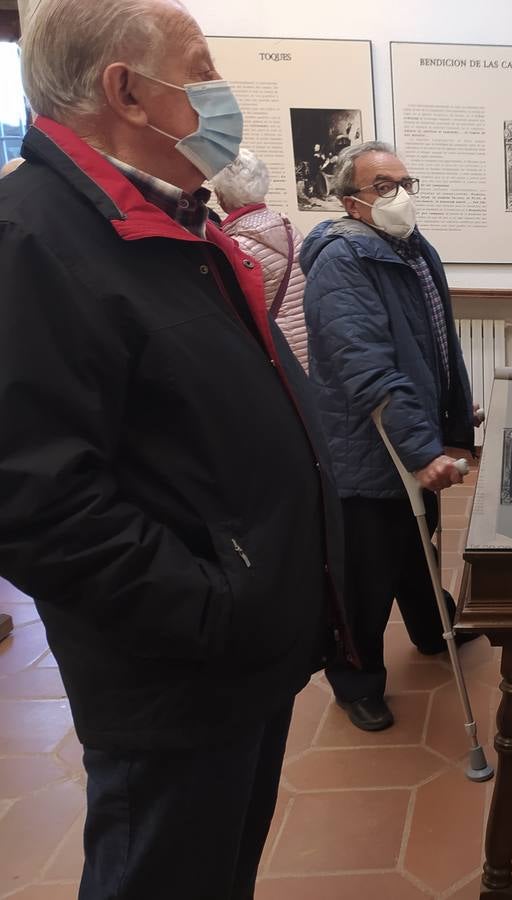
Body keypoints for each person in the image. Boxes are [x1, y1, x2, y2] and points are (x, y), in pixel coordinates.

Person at [0, 1, 350, 897]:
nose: (219, 92)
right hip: (177, 673)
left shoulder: (171, 221)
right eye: (199, 68)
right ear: (127, 91)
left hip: (236, 656)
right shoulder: (32, 236)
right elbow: (35, 501)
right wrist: (211, 610)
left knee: (217, 871)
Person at [302, 141, 482, 733]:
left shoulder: (410, 248)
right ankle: (355, 680)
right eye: (383, 186)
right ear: (352, 201)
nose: (399, 195)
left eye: (405, 181)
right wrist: (423, 449)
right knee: (364, 572)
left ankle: (434, 628)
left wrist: (453, 413)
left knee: (414, 540)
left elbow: (433, 342)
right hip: (368, 444)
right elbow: (367, 367)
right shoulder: (342, 261)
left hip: (409, 430)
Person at [212, 149, 310, 370]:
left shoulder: (237, 247)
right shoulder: (288, 227)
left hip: (279, 351)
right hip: (309, 342)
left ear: (221, 196)